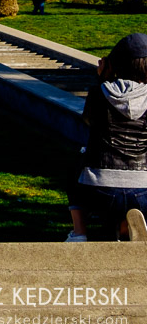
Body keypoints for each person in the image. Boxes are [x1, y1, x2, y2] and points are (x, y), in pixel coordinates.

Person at [65, 33, 147, 243]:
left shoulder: (98, 93)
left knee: (79, 159)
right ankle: (127, 227)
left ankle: (79, 233)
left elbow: (89, 122)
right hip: (143, 189)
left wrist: (103, 79)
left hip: (98, 190)